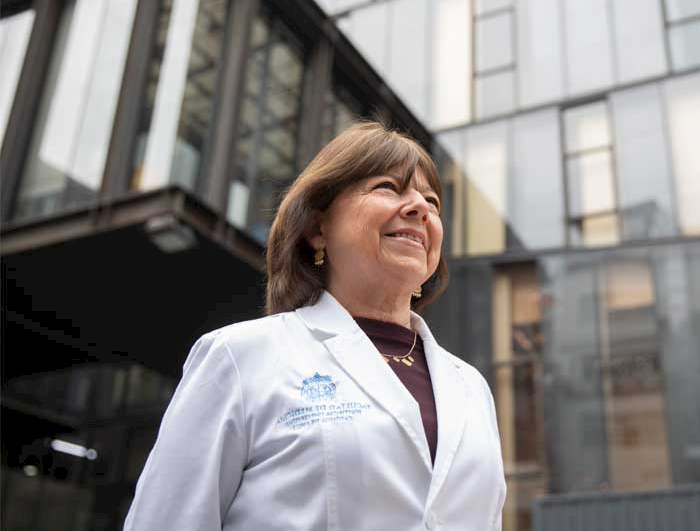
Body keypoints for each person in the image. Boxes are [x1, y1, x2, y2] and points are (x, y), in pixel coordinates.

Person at [123, 121, 506, 530]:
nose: (420, 208)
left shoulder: (471, 387)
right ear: (317, 229)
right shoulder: (239, 357)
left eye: (431, 200)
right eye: (388, 188)